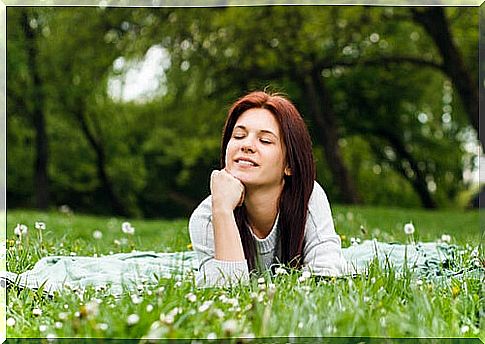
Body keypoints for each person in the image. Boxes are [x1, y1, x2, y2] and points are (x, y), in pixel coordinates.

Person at [189, 91, 349, 287]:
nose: (246, 145)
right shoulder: (206, 218)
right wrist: (222, 211)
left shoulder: (308, 197)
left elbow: (326, 277)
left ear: (289, 164)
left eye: (264, 140)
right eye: (239, 136)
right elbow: (227, 294)